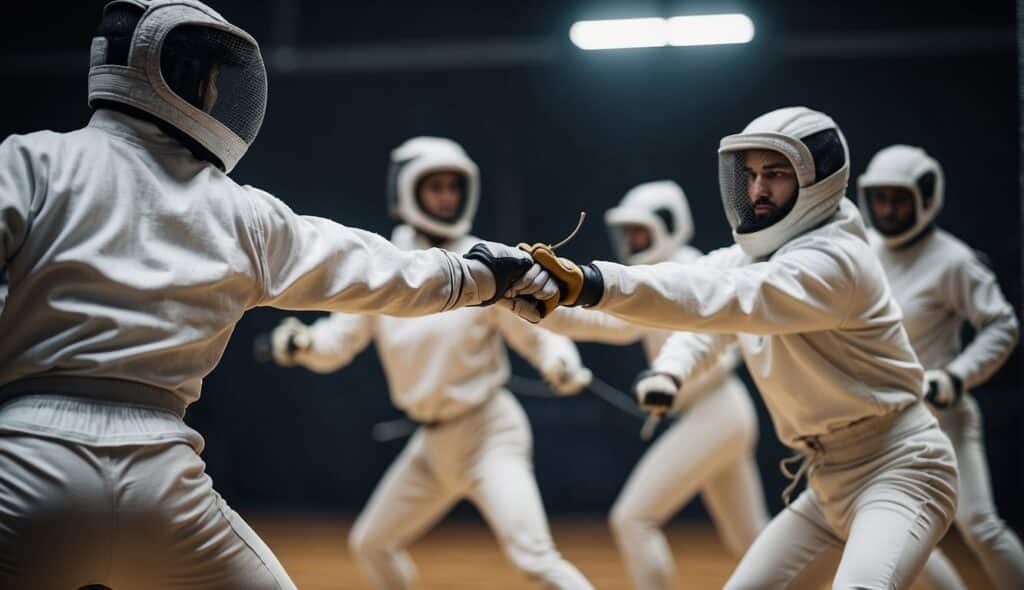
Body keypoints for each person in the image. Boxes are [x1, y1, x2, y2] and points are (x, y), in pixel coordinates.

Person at [0, 2, 551, 588]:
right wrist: (489, 275)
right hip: (161, 474)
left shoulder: (29, 163)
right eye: (211, 79)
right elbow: (374, 270)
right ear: (186, 81)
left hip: (22, 459)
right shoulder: (241, 212)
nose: (216, 93)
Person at [517, 106, 959, 589]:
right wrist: (528, 296)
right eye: (750, 175)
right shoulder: (761, 255)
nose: (757, 191)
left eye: (776, 174)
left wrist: (592, 281)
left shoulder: (835, 262)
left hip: (900, 468)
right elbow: (694, 294)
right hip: (828, 481)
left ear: (819, 179)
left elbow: (719, 298)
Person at [268, 136, 595, 590]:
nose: (446, 197)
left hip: (489, 434)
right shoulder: (386, 264)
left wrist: (562, 362)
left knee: (535, 560)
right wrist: (304, 343)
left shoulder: (488, 262)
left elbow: (537, 333)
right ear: (407, 191)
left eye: (452, 187)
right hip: (431, 446)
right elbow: (339, 340)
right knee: (372, 544)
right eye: (434, 186)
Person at [540, 180, 767, 589]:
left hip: (719, 412)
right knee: (753, 542)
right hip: (719, 416)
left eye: (640, 232)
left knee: (633, 518)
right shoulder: (647, 284)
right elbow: (599, 321)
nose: (633, 241)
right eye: (628, 234)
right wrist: (540, 304)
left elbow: (726, 346)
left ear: (668, 225)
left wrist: (669, 378)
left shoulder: (697, 267)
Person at [858, 144, 1023, 589]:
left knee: (980, 527)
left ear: (926, 197)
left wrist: (956, 375)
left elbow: (1001, 324)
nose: (888, 209)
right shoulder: (864, 251)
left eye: (900, 198)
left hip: (943, 418)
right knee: (887, 531)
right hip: (883, 425)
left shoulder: (952, 259)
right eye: (880, 198)